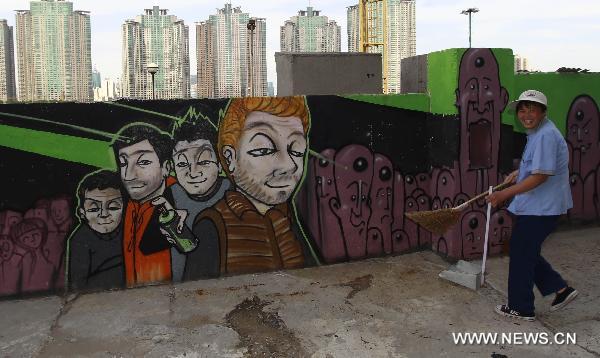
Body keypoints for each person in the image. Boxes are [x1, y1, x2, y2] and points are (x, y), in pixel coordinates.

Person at [190, 96, 318, 277]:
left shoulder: (288, 217)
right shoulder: (212, 224)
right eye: (263, 149)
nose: (288, 165)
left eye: (296, 151)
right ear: (230, 158)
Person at [487, 90, 577, 321]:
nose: (527, 114)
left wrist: (505, 193)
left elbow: (540, 176)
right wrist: (520, 172)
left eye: (532, 109)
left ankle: (521, 307)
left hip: (542, 207)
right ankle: (561, 289)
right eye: (522, 109)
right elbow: (537, 168)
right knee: (523, 249)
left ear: (543, 112)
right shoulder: (539, 132)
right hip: (539, 205)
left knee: (520, 252)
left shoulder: (545, 135)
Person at [158, 117, 230, 282]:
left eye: (204, 161)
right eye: (183, 164)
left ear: (220, 164)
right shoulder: (170, 196)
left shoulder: (232, 194)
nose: (193, 172)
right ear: (172, 168)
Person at [111, 123, 176, 287]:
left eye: (143, 162)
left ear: (166, 167)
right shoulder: (129, 205)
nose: (129, 175)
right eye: (124, 163)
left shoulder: (177, 199)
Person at [68, 170, 125, 291]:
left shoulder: (130, 229)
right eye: (94, 209)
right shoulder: (80, 240)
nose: (104, 214)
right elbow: (77, 286)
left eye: (113, 207)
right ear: (82, 213)